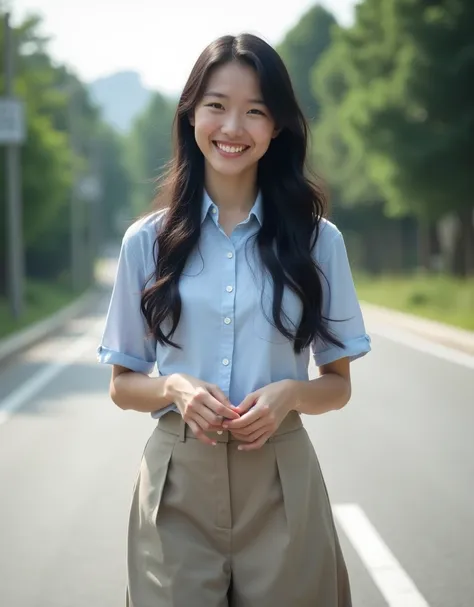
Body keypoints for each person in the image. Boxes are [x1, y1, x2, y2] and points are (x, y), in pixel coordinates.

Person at [97, 32, 371, 607]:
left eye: (255, 112)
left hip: (280, 480)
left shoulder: (318, 242)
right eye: (217, 106)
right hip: (176, 482)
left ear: (278, 128)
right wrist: (172, 385)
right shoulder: (146, 243)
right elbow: (123, 386)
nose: (232, 127)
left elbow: (338, 386)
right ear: (191, 114)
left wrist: (291, 394)